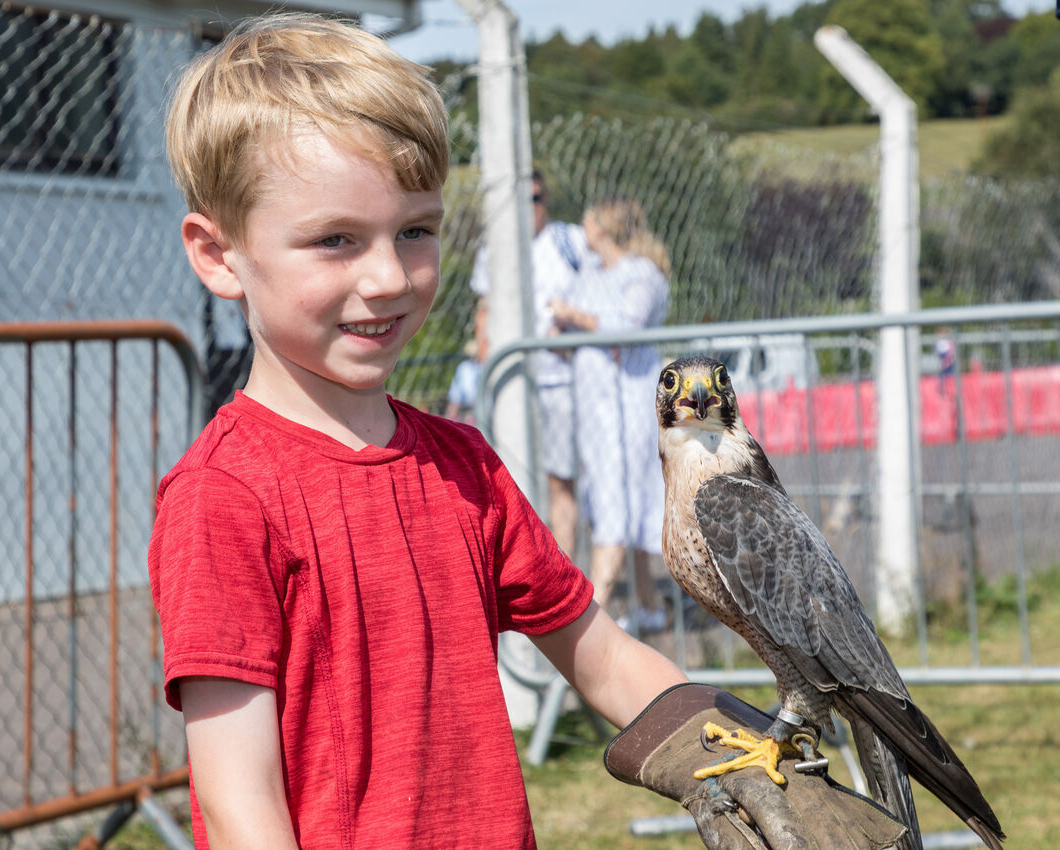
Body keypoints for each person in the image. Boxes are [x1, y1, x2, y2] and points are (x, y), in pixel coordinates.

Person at [149, 14, 905, 850]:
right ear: (218, 255)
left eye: (416, 230)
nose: (391, 277)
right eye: (335, 240)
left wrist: (729, 756)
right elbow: (235, 798)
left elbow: (603, 657)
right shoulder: (222, 497)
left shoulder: (465, 467)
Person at [550, 199, 671, 631]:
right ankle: (649, 602)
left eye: (589, 216)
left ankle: (591, 616)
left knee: (617, 497)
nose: (582, 222)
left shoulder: (642, 274)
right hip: (594, 405)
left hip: (628, 403)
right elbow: (570, 325)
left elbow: (628, 324)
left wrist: (574, 317)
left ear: (604, 226)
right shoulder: (588, 275)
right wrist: (562, 327)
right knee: (616, 493)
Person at [468, 170, 591, 556]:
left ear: (546, 199)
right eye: (522, 200)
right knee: (510, 482)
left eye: (535, 199)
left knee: (562, 482)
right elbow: (483, 308)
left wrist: (576, 328)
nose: (529, 209)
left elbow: (605, 287)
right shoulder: (494, 250)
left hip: (563, 381)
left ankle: (567, 571)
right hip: (512, 383)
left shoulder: (569, 241)